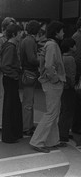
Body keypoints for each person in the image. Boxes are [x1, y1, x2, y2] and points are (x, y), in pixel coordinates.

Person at [30, 21, 66, 153]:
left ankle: (52, 141)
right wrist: (56, 79)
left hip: (50, 82)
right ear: (56, 32)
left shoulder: (50, 44)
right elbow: (49, 66)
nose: (63, 33)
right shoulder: (52, 45)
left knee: (54, 112)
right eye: (62, 30)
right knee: (51, 113)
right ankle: (37, 141)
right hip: (52, 83)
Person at [0, 23, 23, 143]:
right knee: (11, 106)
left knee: (11, 106)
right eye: (19, 33)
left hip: (9, 78)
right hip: (10, 79)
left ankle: (11, 133)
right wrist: (15, 75)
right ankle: (10, 135)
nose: (21, 35)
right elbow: (5, 65)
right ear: (14, 34)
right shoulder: (11, 47)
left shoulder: (7, 45)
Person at [0, 17, 16, 130]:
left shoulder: (9, 38)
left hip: (7, 70)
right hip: (3, 71)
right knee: (3, 95)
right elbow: (0, 57)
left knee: (4, 95)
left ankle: (0, 119)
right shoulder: (0, 39)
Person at [20, 20, 40, 136]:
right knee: (28, 101)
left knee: (29, 100)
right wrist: (42, 60)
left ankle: (28, 125)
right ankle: (26, 126)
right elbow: (32, 59)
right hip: (29, 72)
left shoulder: (26, 40)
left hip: (27, 72)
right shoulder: (29, 41)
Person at [58, 38, 77, 142]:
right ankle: (63, 134)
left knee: (63, 109)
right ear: (70, 47)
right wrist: (73, 84)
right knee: (68, 110)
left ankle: (61, 131)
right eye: (74, 45)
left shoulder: (62, 57)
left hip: (62, 86)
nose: (76, 47)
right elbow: (71, 75)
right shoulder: (70, 59)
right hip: (69, 87)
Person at [72, 17, 81, 135]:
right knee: (78, 101)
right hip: (78, 73)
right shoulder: (78, 37)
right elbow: (78, 58)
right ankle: (76, 127)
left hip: (78, 72)